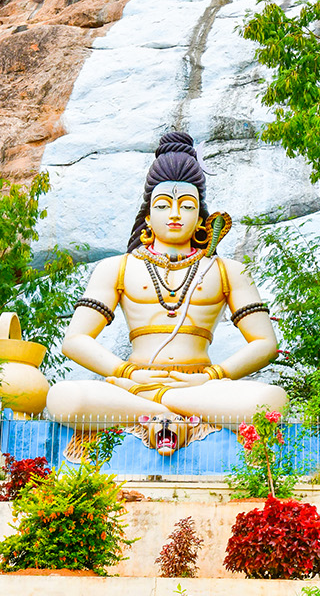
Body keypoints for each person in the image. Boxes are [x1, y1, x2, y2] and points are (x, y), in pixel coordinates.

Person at [45, 131, 284, 451]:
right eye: (163, 205)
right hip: (132, 384)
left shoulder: (228, 270)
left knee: (271, 402)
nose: (174, 214)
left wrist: (212, 376)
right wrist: (127, 374)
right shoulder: (116, 268)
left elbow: (266, 343)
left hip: (201, 386)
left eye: (186, 206)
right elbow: (75, 341)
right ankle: (170, 410)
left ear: (201, 218)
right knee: (64, 398)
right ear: (147, 215)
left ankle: (163, 405)